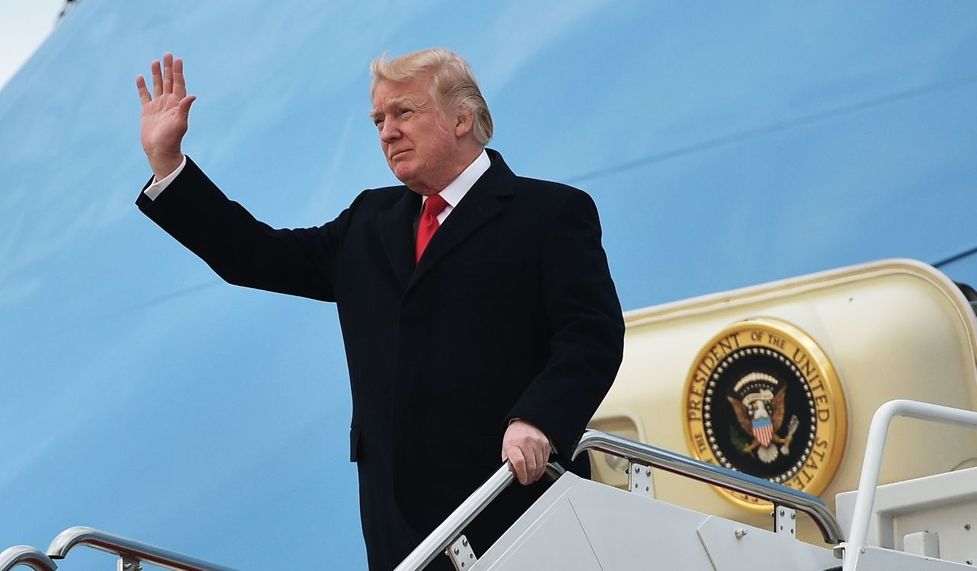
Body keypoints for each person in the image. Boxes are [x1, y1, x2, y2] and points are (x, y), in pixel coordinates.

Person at [135, 48, 624, 570]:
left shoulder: (550, 213)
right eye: (378, 119)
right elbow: (253, 256)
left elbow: (591, 334)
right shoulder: (370, 220)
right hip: (401, 530)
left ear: (462, 117)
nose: (387, 131)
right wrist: (169, 164)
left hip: (517, 504)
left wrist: (540, 419)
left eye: (404, 112)